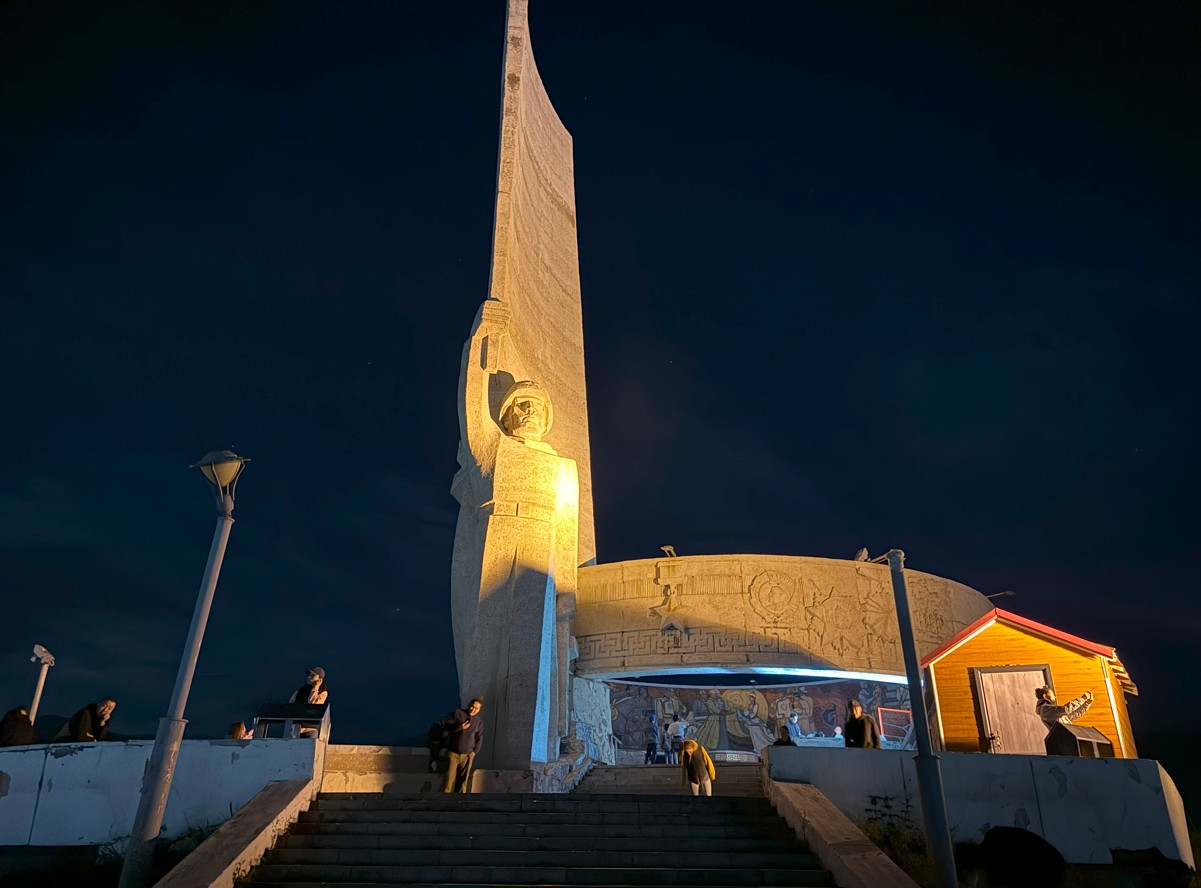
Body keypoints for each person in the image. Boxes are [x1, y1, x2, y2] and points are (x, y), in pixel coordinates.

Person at [442, 698, 484, 793]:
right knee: (449, 781)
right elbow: (446, 727)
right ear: (469, 705)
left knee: (462, 783)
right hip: (453, 754)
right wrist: (460, 727)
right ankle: (445, 800)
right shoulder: (458, 713)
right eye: (472, 706)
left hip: (467, 755)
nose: (473, 710)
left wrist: (474, 752)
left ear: (479, 710)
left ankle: (459, 800)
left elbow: (479, 737)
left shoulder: (478, 721)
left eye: (476, 709)